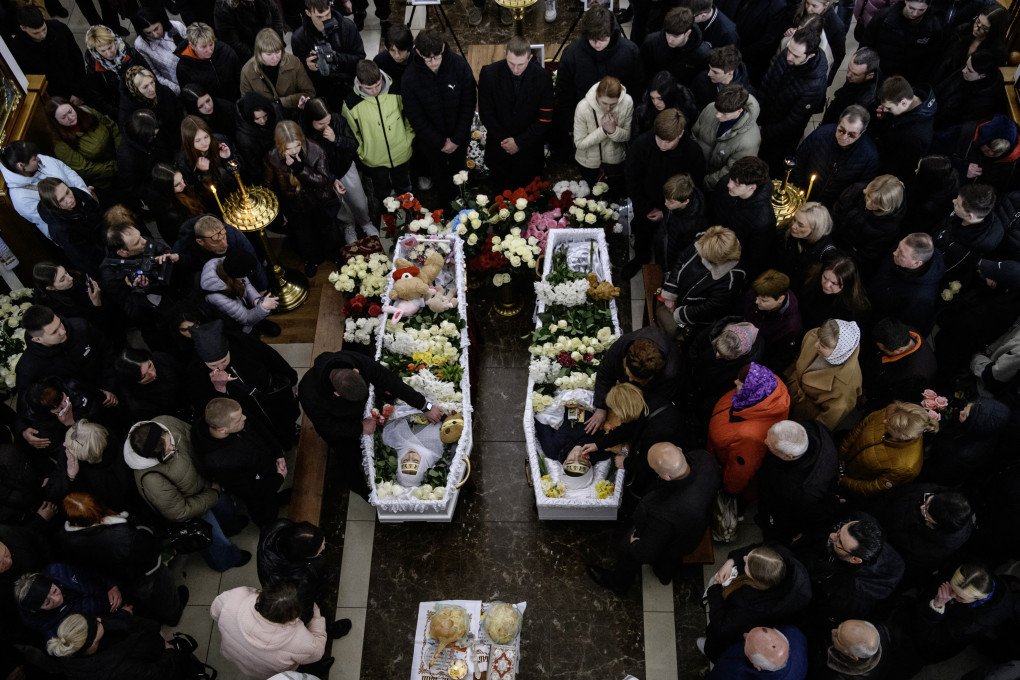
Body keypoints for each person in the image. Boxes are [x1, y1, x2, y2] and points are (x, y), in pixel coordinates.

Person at [298, 350, 442, 495]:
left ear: (356, 371)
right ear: (337, 394)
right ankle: (367, 493)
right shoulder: (308, 393)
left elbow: (390, 380)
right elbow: (329, 427)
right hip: (341, 426)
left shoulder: (354, 358)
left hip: (362, 413)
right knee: (350, 461)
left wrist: (425, 406)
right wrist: (360, 427)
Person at [587, 443, 721, 592]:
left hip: (674, 540)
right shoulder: (704, 458)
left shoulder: (662, 510)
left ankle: (619, 583)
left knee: (627, 547)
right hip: (697, 528)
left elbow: (646, 551)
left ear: (666, 477)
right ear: (680, 449)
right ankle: (664, 574)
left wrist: (634, 545)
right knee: (669, 562)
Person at [123, 415, 250, 572]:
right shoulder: (151, 480)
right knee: (215, 538)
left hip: (207, 482)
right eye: (168, 447)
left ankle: (232, 527)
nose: (173, 447)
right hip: (193, 507)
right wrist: (213, 494)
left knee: (226, 508)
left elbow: (193, 436)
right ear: (154, 455)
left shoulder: (165, 421)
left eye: (169, 439)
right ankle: (228, 559)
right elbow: (179, 512)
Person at [59, 491, 186, 625]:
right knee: (161, 594)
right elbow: (150, 550)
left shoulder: (66, 539)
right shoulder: (119, 536)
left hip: (118, 581)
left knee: (142, 600)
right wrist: (143, 529)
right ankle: (173, 615)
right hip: (142, 575)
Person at [187, 320, 300, 449]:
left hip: (267, 393)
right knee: (265, 433)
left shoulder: (243, 342)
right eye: (212, 365)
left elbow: (272, 358)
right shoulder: (195, 371)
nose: (219, 367)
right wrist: (219, 388)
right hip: (246, 412)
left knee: (283, 416)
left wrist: (292, 379)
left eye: (224, 360)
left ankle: (292, 431)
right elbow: (206, 407)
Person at [890, 564, 1016, 676]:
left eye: (960, 597)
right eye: (952, 587)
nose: (951, 596)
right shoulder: (977, 576)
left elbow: (931, 641)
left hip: (937, 642)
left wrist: (936, 606)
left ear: (977, 598)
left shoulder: (971, 624)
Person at [626, 109, 707, 272]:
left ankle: (665, 267)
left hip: (675, 209)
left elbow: (694, 185)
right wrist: (645, 207)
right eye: (659, 138)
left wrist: (667, 210)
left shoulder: (692, 152)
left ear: (680, 134)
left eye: (668, 141)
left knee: (669, 241)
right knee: (643, 232)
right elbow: (632, 178)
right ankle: (641, 258)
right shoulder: (641, 144)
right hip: (645, 202)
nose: (662, 145)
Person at [401, 30, 477, 204]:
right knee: (439, 173)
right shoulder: (409, 79)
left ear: (443, 47)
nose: (433, 62)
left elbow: (469, 104)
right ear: (418, 52)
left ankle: (463, 197)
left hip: (459, 137)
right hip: (432, 143)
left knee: (460, 169)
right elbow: (415, 117)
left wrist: (456, 139)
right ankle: (445, 202)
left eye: (437, 56)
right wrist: (440, 142)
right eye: (428, 59)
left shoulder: (459, 66)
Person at [700, 545, 812, 660]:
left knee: (717, 644)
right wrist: (731, 561)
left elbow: (722, 626)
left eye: (747, 566)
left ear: (755, 580)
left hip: (733, 633)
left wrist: (714, 590)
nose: (744, 558)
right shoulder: (781, 560)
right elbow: (759, 549)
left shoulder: (752, 607)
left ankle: (708, 650)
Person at [555, 6, 643, 151]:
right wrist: (570, 126)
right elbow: (564, 93)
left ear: (611, 33)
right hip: (584, 120)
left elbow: (637, 88)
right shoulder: (572, 54)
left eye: (602, 39)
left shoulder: (630, 52)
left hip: (619, 119)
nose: (597, 44)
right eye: (592, 39)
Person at [265, 120, 345, 275]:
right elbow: (270, 185)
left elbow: (323, 180)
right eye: (290, 148)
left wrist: (300, 169)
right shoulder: (272, 157)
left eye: (297, 145)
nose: (295, 151)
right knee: (304, 236)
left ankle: (335, 256)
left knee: (328, 231)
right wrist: (279, 210)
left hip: (319, 200)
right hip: (294, 204)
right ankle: (312, 259)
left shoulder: (315, 150)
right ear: (281, 146)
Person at [191, 398, 287, 527]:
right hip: (259, 491)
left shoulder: (232, 414)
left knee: (271, 496)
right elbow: (250, 491)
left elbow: (261, 429)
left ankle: (276, 499)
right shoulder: (219, 462)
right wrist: (279, 478)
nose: (245, 417)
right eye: (239, 419)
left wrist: (278, 453)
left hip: (267, 469)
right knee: (266, 513)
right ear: (222, 430)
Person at [794, 513, 905, 623]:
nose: (832, 535)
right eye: (840, 529)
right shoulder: (860, 521)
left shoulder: (848, 596)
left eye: (839, 542)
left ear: (854, 559)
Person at [479, 36, 555, 193]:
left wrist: (519, 142)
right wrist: (506, 141)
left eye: (520, 64)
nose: (515, 69)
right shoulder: (489, 74)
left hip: (530, 151)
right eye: (511, 63)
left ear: (530, 57)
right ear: (505, 53)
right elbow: (486, 113)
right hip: (500, 149)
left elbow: (544, 118)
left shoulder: (543, 77)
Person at [18, 613, 195, 680]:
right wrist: (170, 653)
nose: (99, 618)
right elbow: (157, 673)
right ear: (92, 642)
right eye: (96, 623)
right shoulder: (115, 670)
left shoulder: (80, 648)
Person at [211, 583, 332, 678]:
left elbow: (215, 612)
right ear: (295, 615)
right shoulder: (300, 640)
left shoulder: (236, 596)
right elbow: (317, 652)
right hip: (266, 672)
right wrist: (316, 618)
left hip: (234, 656)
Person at [707, 362, 790, 500]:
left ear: (752, 391)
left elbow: (739, 472)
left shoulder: (751, 437)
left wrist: (728, 490)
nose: (735, 383)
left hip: (722, 463)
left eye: (740, 384)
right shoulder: (768, 388)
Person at [302, 97, 377, 243]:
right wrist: (330, 178)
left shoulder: (338, 120)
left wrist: (336, 139)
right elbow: (310, 162)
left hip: (345, 167)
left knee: (359, 200)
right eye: (320, 123)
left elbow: (353, 144)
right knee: (341, 204)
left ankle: (366, 222)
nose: (326, 125)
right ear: (311, 121)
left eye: (328, 120)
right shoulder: (305, 132)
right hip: (325, 174)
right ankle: (349, 226)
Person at [15, 306, 117, 412]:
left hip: (111, 384)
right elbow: (27, 402)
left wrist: (109, 386)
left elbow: (106, 350)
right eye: (54, 332)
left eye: (60, 324)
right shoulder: (28, 367)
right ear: (37, 339)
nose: (62, 331)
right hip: (81, 409)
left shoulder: (80, 327)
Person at [757, 24, 829, 174]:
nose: (789, 57)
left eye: (796, 55)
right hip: (766, 116)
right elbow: (768, 79)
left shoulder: (814, 85)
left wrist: (764, 132)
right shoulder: (791, 51)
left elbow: (792, 122)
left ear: (810, 55)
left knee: (770, 165)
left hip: (781, 137)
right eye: (789, 50)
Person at [257, 519, 348, 635]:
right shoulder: (302, 579)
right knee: (318, 610)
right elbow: (306, 612)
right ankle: (329, 629)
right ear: (304, 556)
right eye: (320, 547)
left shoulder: (276, 529)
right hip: (299, 597)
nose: (324, 547)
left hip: (273, 581)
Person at [342, 60, 414, 205]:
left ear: (381, 78)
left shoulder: (396, 90)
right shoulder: (350, 104)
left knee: (405, 187)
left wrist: (408, 138)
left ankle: (410, 214)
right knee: (382, 192)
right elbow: (352, 133)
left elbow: (410, 116)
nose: (375, 91)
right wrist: (364, 152)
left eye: (378, 85)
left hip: (401, 152)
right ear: (360, 83)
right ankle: (389, 220)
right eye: (370, 88)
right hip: (374, 160)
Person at [98, 208, 182, 333]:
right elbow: (133, 312)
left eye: (140, 236)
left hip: (174, 295)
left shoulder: (143, 240)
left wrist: (169, 257)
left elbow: (164, 251)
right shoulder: (110, 274)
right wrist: (139, 290)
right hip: (156, 322)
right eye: (137, 242)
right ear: (122, 252)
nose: (145, 241)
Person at [757, 419, 838, 542]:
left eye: (770, 445)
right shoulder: (812, 427)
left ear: (789, 456)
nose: (765, 441)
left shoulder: (803, 488)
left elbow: (791, 512)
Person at [656, 226, 745, 337]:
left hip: (693, 317)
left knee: (671, 330)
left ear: (717, 259)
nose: (699, 254)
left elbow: (709, 308)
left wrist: (681, 314)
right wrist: (671, 292)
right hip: (679, 298)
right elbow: (681, 261)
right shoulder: (704, 241)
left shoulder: (732, 279)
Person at [878, 484, 974, 586]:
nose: (922, 506)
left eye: (925, 512)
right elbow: (896, 493)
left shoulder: (931, 551)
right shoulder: (931, 492)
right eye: (927, 500)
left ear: (935, 526)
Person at [838, 400, 936, 497]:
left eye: (890, 424)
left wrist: (843, 480)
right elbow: (859, 429)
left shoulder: (906, 467)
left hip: (850, 483)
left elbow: (874, 486)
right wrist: (840, 454)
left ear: (904, 436)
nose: (885, 421)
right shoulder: (894, 414)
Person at [792, 106, 880, 209]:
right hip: (804, 196)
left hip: (833, 207)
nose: (844, 137)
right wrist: (799, 190)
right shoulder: (820, 135)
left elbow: (859, 191)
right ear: (838, 123)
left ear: (862, 132)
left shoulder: (869, 156)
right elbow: (799, 161)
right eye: (841, 130)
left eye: (851, 135)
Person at [14, 563, 130, 640]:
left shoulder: (59, 571)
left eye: (54, 591)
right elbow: (94, 639)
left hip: (119, 590)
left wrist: (111, 585)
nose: (57, 599)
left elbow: (89, 570)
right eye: (47, 603)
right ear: (37, 610)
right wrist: (122, 616)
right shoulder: (57, 632)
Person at [0, 141, 90, 239]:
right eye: (34, 159)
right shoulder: (21, 199)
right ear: (21, 166)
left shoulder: (38, 159)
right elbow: (55, 221)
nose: (39, 158)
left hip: (86, 207)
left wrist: (85, 193)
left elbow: (68, 172)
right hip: (75, 232)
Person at [785, 319, 863, 431]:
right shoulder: (816, 335)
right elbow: (799, 358)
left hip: (805, 414)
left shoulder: (846, 385)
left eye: (823, 345)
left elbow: (828, 419)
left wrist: (809, 432)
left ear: (839, 351)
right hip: (791, 390)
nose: (816, 345)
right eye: (819, 339)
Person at [290, 0, 365, 108]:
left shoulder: (347, 27)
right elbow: (300, 75)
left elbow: (360, 58)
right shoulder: (299, 38)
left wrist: (336, 57)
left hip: (350, 84)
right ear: (308, 13)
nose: (325, 20)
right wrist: (309, 66)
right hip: (322, 91)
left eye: (327, 14)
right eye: (319, 17)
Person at [868, 233, 946, 335]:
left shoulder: (920, 297)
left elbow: (905, 327)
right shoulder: (903, 250)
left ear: (916, 263)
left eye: (901, 254)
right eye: (898, 247)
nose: (895, 253)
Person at [711, 157, 776, 278]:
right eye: (731, 178)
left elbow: (754, 257)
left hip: (729, 263)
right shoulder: (726, 184)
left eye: (736, 184)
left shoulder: (763, 219)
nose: (729, 184)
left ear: (752, 187)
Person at [832, 177, 905, 279]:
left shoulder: (889, 227)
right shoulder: (856, 190)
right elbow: (836, 211)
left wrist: (835, 254)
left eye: (876, 203)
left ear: (886, 206)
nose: (868, 203)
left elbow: (865, 255)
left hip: (845, 259)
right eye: (868, 196)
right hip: (831, 238)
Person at [572, 76, 634, 197]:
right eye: (604, 103)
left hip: (615, 161)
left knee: (616, 198)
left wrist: (613, 131)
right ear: (597, 96)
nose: (608, 108)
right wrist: (604, 130)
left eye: (613, 104)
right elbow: (579, 143)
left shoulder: (627, 102)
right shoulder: (583, 107)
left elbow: (628, 135)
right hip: (589, 163)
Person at [174, 214, 268, 292]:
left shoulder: (234, 235)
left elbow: (253, 262)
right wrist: (179, 258)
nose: (224, 244)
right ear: (200, 242)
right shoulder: (185, 245)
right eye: (216, 241)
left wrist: (263, 289)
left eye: (224, 237)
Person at [692, 84, 761, 190]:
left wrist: (706, 182)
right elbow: (694, 134)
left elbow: (732, 170)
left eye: (724, 113)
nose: (717, 115)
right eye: (717, 110)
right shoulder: (711, 107)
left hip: (712, 183)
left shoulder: (750, 141)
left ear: (739, 110)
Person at [934, 183, 1005, 284]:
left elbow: (945, 268)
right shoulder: (967, 212)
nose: (953, 201)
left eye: (957, 205)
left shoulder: (971, 247)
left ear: (970, 216)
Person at [10, 6, 85, 101]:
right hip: (56, 97)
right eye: (36, 33)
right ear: (23, 28)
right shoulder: (17, 49)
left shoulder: (59, 28)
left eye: (44, 29)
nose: (42, 35)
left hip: (77, 85)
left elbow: (77, 57)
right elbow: (32, 80)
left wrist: (78, 90)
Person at [45, 98, 119, 194]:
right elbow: (86, 169)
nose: (70, 117)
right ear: (56, 121)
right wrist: (116, 166)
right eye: (64, 117)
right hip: (108, 179)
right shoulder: (60, 144)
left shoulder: (86, 111)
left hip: (122, 156)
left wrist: (122, 152)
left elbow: (112, 127)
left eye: (70, 111)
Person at [871, 75, 938, 180]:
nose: (884, 110)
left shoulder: (916, 136)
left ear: (903, 102)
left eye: (888, 108)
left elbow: (900, 166)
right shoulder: (907, 98)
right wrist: (884, 118)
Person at [861, 317, 937, 411]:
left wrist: (869, 401)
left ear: (899, 350)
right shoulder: (908, 333)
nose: (879, 350)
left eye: (882, 349)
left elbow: (892, 398)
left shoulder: (914, 375)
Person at [862, 0, 945, 84]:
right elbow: (866, 44)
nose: (915, 13)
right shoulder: (883, 17)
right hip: (877, 76)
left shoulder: (933, 29)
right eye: (911, 8)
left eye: (921, 10)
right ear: (906, 1)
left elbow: (930, 62)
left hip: (907, 82)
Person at [240, 28, 316, 119]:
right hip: (267, 120)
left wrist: (282, 102)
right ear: (259, 54)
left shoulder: (293, 62)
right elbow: (248, 104)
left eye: (277, 52)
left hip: (295, 113)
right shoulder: (247, 71)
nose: (275, 58)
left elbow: (309, 92)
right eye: (269, 54)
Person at [200, 250, 280, 335]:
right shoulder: (217, 297)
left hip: (240, 303)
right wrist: (263, 307)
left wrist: (256, 300)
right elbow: (246, 319)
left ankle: (258, 320)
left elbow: (246, 284)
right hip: (234, 324)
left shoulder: (229, 264)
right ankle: (251, 331)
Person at [36, 181, 104, 277]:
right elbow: (85, 258)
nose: (70, 199)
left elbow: (98, 211)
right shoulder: (60, 230)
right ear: (53, 205)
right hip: (96, 261)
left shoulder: (76, 192)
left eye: (67, 192)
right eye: (61, 200)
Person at [176, 115, 242, 213]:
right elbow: (197, 192)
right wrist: (203, 173)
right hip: (213, 203)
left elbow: (240, 172)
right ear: (189, 142)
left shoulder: (220, 141)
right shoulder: (184, 161)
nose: (204, 143)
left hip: (234, 192)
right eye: (197, 140)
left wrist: (228, 158)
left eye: (206, 136)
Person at [84, 25, 150, 119]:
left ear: (115, 41)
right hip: (121, 110)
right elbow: (98, 99)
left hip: (144, 98)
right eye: (103, 51)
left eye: (110, 47)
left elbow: (148, 72)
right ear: (95, 50)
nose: (108, 53)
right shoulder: (93, 70)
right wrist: (120, 113)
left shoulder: (131, 53)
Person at [714, 0, 789, 82]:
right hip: (730, 44)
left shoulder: (779, 7)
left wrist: (738, 53)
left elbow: (767, 43)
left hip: (747, 60)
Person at [743, 270, 803, 371]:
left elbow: (779, 359)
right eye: (757, 297)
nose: (757, 301)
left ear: (780, 299)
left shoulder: (791, 328)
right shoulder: (759, 292)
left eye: (764, 300)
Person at [117, 66, 184, 157]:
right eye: (145, 87)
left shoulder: (164, 91)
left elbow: (178, 112)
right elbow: (135, 141)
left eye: (152, 82)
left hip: (179, 138)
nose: (152, 89)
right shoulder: (128, 113)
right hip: (160, 151)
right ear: (135, 89)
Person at [934, 50, 1007, 130]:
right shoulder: (971, 70)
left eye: (969, 70)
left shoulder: (984, 102)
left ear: (982, 76)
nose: (963, 70)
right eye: (966, 65)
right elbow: (943, 87)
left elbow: (959, 125)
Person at [114, 348, 191, 422]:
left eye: (150, 366)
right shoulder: (138, 404)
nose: (152, 374)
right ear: (133, 381)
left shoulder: (161, 358)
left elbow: (186, 375)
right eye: (144, 376)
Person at [640, 7, 711, 87]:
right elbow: (644, 72)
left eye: (675, 36)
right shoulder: (651, 42)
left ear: (688, 33)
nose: (670, 40)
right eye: (668, 33)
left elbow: (699, 82)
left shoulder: (702, 53)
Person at [798, 256, 872, 331]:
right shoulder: (812, 282)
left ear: (847, 285)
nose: (826, 285)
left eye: (834, 283)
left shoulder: (853, 311)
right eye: (825, 277)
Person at [706, 625, 809, 679]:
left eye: (747, 641)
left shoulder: (732, 672)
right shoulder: (794, 633)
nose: (745, 634)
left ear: (756, 666)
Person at [774, 202, 838, 288]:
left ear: (815, 229)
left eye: (800, 225)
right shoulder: (791, 231)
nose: (793, 226)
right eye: (794, 219)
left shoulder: (827, 254)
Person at [174, 22, 242, 100]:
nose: (209, 50)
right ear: (192, 45)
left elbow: (238, 75)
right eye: (204, 47)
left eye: (211, 44)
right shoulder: (183, 68)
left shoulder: (225, 51)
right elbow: (189, 96)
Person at [130, 6, 186, 95]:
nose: (155, 35)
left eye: (156, 28)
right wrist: (178, 90)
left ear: (161, 21)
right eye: (148, 33)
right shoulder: (140, 45)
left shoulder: (177, 26)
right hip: (177, 87)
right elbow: (153, 74)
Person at [654, 173, 707, 267]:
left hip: (671, 259)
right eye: (665, 199)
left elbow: (683, 252)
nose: (665, 203)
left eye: (670, 202)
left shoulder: (693, 224)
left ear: (686, 201)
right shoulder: (678, 198)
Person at [117, 111, 164, 214]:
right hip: (151, 189)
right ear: (143, 137)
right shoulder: (127, 159)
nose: (156, 135)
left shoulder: (146, 138)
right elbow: (133, 188)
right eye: (153, 135)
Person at [146, 163, 206, 244]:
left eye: (182, 179)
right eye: (177, 184)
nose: (184, 184)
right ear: (167, 188)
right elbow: (186, 235)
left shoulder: (180, 187)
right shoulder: (167, 211)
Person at [821, 48, 881, 125]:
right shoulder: (858, 76)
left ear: (869, 76)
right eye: (849, 68)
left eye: (855, 74)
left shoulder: (867, 100)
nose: (848, 75)